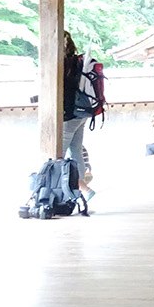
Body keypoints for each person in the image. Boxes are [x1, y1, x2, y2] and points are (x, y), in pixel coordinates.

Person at [62, 32, 96, 202]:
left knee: (57, 155)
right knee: (75, 151)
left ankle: (71, 191)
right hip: (81, 113)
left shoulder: (62, 65)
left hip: (68, 115)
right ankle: (84, 190)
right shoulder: (78, 62)